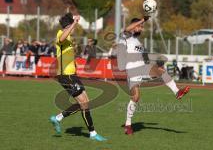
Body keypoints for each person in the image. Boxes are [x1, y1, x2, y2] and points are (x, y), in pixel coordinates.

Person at [117, 17, 190, 135]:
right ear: (134, 26)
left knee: (161, 70)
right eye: (139, 26)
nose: (141, 28)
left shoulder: (138, 42)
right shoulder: (125, 37)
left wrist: (153, 64)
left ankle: (177, 92)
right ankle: (128, 124)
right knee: (136, 97)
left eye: (141, 26)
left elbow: (143, 58)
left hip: (142, 68)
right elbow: (127, 29)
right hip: (132, 71)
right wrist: (142, 20)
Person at [49, 13, 106, 141]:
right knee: (84, 103)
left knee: (85, 103)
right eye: (73, 26)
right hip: (65, 75)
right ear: (69, 25)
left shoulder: (69, 38)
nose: (74, 28)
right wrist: (74, 22)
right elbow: (62, 38)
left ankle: (58, 118)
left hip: (72, 75)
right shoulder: (61, 34)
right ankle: (92, 133)